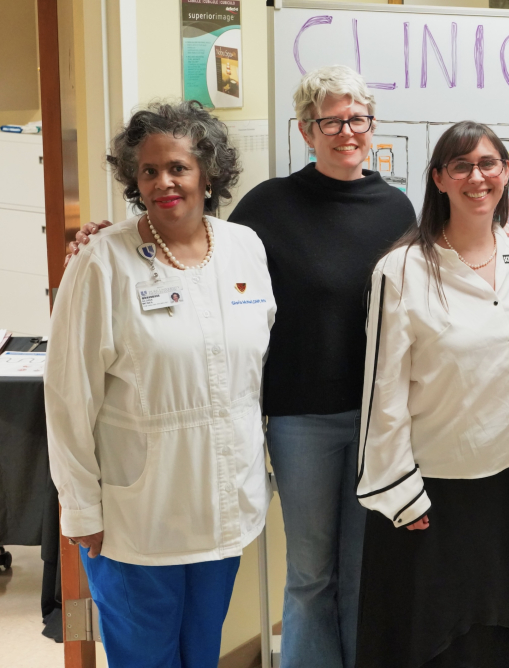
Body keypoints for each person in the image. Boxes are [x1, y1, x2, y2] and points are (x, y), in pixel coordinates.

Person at [69, 66, 417, 668]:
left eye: (355, 119)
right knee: (311, 576)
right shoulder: (265, 210)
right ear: (306, 130)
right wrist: (101, 238)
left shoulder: (394, 208)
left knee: (363, 574)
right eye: (328, 121)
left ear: (372, 126)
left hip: (375, 418)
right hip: (297, 419)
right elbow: (175, 249)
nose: (344, 131)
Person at [45, 101, 276, 666]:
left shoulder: (245, 246)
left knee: (201, 653)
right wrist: (80, 512)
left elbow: (252, 374)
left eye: (177, 167)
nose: (163, 183)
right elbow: (69, 398)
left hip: (223, 508)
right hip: (137, 520)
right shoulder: (102, 263)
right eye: (148, 171)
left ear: (208, 172)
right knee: (145, 657)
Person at [356, 122, 509, 668]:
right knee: (429, 641)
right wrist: (398, 493)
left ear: (506, 173)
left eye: (488, 163)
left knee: (492, 635)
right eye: (460, 166)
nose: (476, 177)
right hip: (430, 491)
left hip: (506, 481)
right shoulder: (402, 269)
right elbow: (380, 392)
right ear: (439, 178)